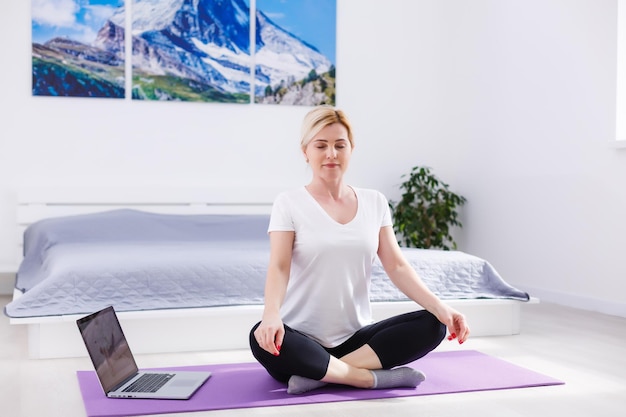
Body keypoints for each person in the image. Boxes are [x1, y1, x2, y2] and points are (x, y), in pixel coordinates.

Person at [249, 105, 470, 395]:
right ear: (305, 151)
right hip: (300, 339)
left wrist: (442, 307)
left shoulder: (374, 202)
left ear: (351, 149)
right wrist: (271, 315)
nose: (331, 153)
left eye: (340, 145)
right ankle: (366, 378)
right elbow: (279, 266)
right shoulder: (288, 203)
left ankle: (320, 375)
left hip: (358, 339)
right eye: (321, 145)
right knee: (259, 337)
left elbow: (397, 266)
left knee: (433, 324)